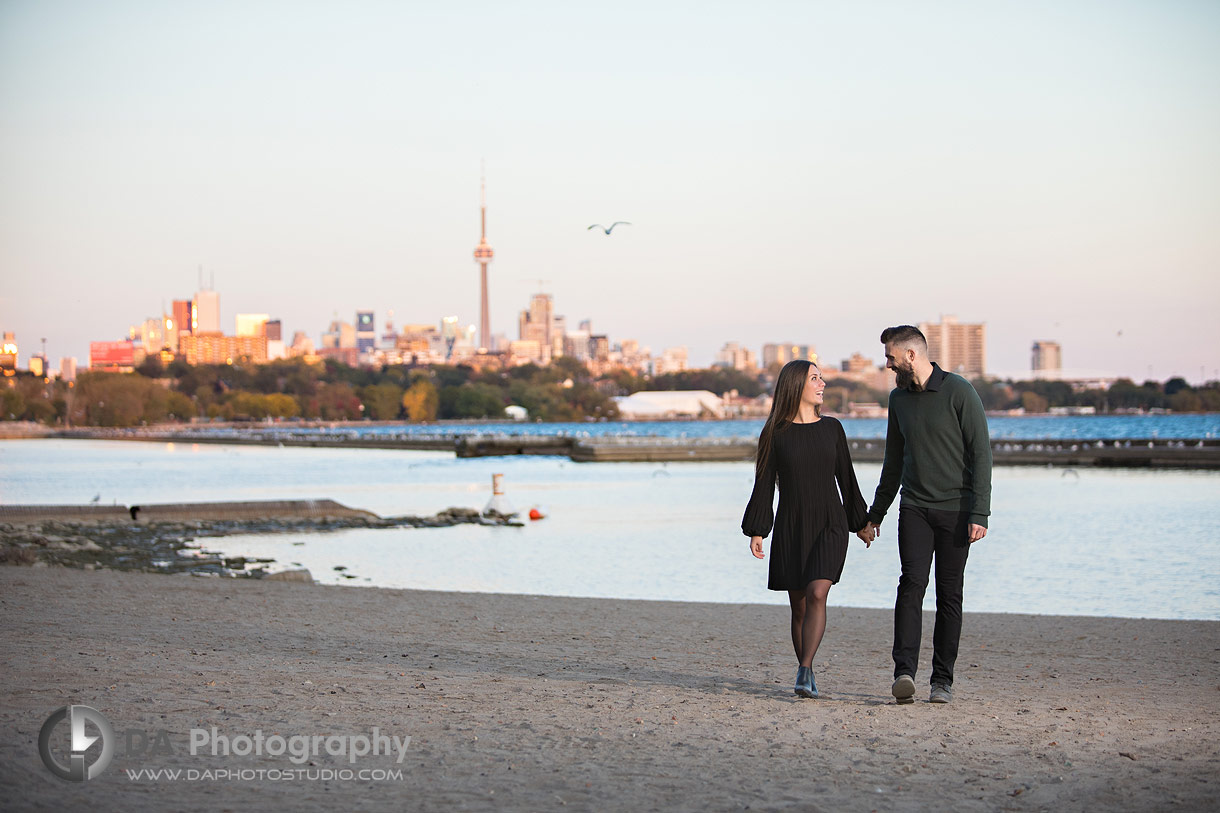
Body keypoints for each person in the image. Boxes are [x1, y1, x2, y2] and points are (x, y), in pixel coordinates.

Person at [858, 326, 992, 705]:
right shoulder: (898, 399)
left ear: (911, 356)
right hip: (914, 507)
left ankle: (942, 682)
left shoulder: (959, 391)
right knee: (911, 585)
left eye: (890, 357)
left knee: (950, 595)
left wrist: (979, 511)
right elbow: (893, 460)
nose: (887, 364)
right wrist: (876, 513)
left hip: (957, 511)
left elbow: (981, 453)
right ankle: (904, 673)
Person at [743, 359, 872, 698]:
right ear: (796, 385)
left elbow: (847, 478)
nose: (822, 384)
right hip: (791, 525)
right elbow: (764, 484)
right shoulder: (775, 432)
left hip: (831, 522)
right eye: (815, 378)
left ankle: (803, 669)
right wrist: (758, 529)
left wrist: (860, 522)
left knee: (817, 592)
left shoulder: (833, 429)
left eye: (821, 378)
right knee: (799, 606)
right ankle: (808, 671)